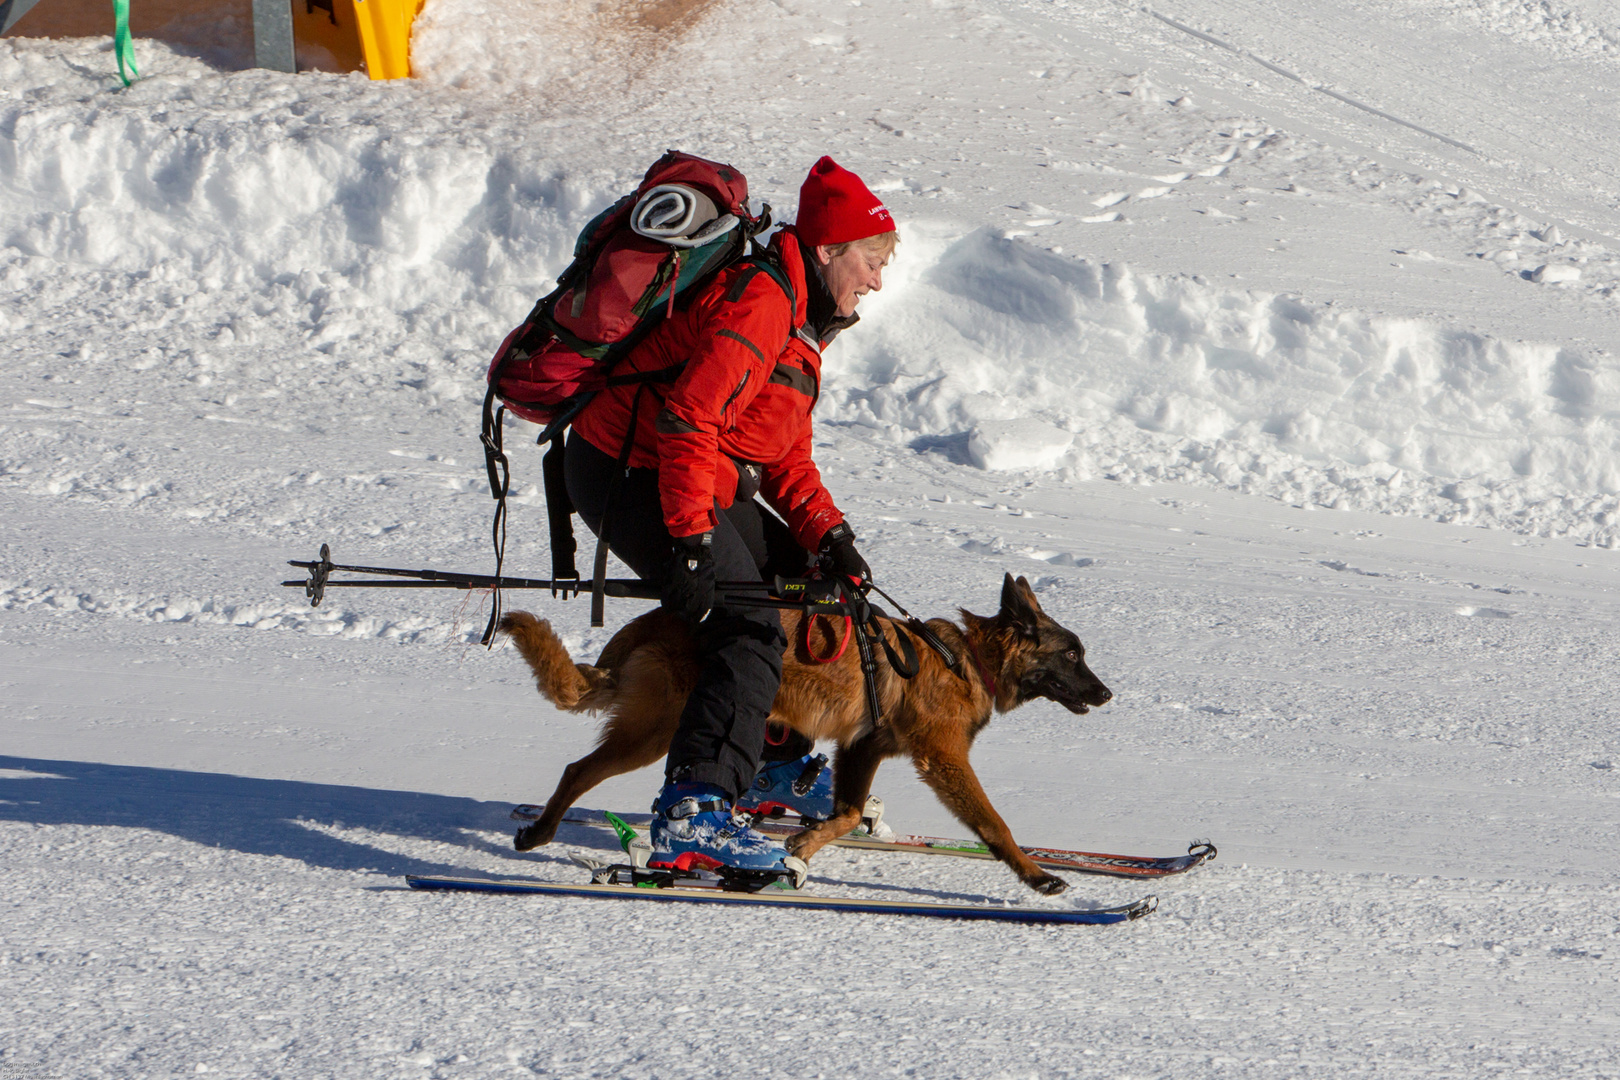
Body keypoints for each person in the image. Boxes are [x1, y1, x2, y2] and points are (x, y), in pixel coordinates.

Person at [563, 156, 897, 882]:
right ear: (831, 248)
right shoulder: (764, 303)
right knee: (746, 626)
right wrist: (689, 546)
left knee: (802, 588)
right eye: (871, 260)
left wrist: (826, 536)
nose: (877, 280)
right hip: (632, 470)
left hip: (691, 471)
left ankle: (769, 764)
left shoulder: (803, 317)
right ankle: (695, 812)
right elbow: (687, 420)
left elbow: (776, 448)